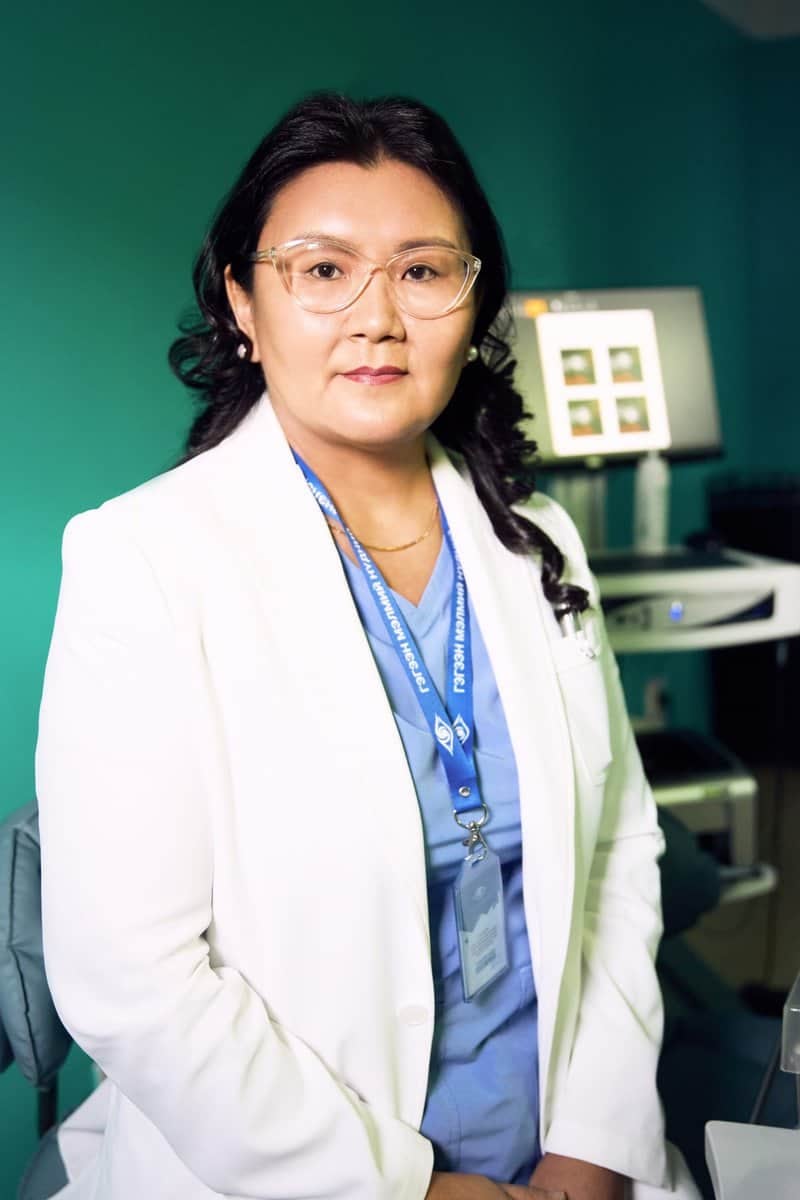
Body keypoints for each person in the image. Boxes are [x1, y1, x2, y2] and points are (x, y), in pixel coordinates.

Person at [36, 93, 700, 1200]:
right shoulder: (144, 561)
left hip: (567, 1156)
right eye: (321, 269)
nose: (376, 317)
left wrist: (593, 1146)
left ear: (474, 302)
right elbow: (129, 980)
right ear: (244, 302)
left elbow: (616, 857)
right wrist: (415, 1192)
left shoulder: (539, 543)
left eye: (423, 270)